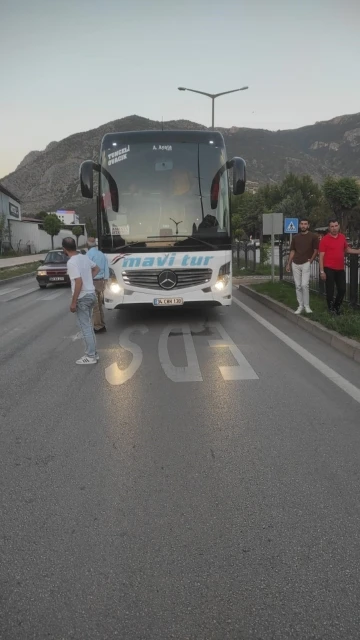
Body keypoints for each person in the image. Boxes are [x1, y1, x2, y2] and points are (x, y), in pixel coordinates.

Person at [62, 237, 100, 365]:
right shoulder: (84, 257)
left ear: (64, 249)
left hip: (82, 298)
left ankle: (90, 356)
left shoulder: (71, 262)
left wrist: (73, 302)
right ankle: (94, 353)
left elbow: (78, 282)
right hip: (91, 294)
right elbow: (97, 269)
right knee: (89, 326)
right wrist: (89, 279)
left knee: (85, 328)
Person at [319, 219, 360, 314]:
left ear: (339, 226)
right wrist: (322, 271)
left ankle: (336, 307)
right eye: (332, 226)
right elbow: (321, 256)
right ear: (329, 228)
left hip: (340, 268)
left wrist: (358, 251)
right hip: (328, 268)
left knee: (342, 289)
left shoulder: (342, 237)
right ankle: (331, 309)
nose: (334, 228)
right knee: (330, 290)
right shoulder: (325, 239)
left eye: (336, 226)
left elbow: (347, 249)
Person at [286, 218, 319, 314]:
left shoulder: (313, 236)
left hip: (306, 263)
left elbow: (316, 250)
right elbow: (292, 251)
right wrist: (288, 263)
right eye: (302, 224)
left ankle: (307, 306)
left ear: (308, 225)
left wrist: (311, 260)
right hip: (295, 263)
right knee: (298, 286)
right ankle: (300, 306)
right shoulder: (295, 237)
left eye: (305, 224)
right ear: (299, 225)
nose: (303, 226)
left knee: (305, 285)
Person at [86, 237, 109, 333]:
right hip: (101, 281)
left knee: (95, 306)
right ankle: (102, 324)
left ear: (87, 245)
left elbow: (87, 270)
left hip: (93, 281)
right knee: (99, 305)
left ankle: (98, 327)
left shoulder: (88, 255)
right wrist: (105, 281)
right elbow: (106, 268)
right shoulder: (101, 254)